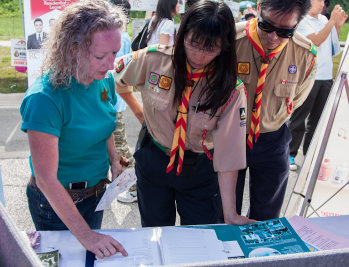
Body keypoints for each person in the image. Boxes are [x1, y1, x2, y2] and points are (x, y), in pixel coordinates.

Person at [114, 0, 254, 227]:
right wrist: (140, 115)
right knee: (155, 233)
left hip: (198, 168)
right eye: (193, 43)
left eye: (210, 49)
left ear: (224, 47)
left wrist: (230, 213)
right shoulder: (154, 60)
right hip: (155, 160)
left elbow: (229, 155)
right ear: (183, 34)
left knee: (199, 237)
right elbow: (117, 81)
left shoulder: (231, 89)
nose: (199, 55)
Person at [20, 0, 128, 259]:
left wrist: (114, 160)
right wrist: (87, 236)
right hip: (56, 203)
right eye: (101, 56)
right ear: (72, 50)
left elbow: (105, 125)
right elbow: (46, 180)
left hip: (96, 194)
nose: (111, 64)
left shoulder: (104, 80)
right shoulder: (45, 99)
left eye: (115, 53)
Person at [235, 0, 318, 221]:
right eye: (266, 25)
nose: (273, 37)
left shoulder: (305, 55)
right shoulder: (229, 40)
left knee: (267, 215)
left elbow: (297, 99)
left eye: (284, 31)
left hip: (272, 139)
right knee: (223, 212)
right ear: (259, 7)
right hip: (228, 137)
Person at [288, 0, 347, 171]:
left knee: (317, 120)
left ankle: (309, 154)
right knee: (299, 118)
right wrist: (331, 22)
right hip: (308, 76)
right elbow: (314, 43)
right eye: (319, 0)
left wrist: (337, 27)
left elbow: (334, 49)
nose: (322, 3)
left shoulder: (323, 20)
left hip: (326, 76)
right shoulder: (301, 20)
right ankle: (290, 154)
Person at [108, 0, 138, 204]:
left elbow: (117, 70)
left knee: (121, 147)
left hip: (114, 101)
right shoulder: (122, 36)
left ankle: (136, 187)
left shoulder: (121, 37)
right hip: (113, 99)